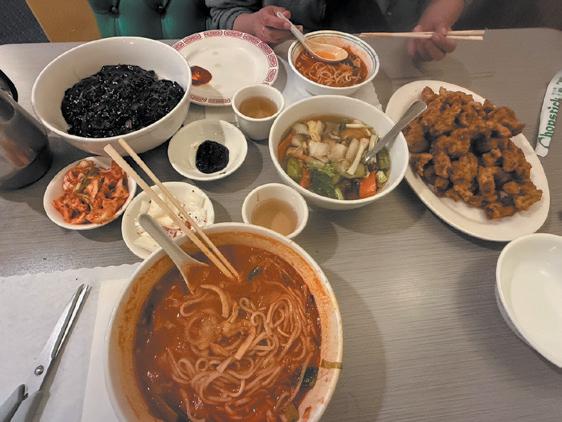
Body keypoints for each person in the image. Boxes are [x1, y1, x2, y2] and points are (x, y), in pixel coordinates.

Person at [205, 0, 466, 61]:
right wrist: (255, 24)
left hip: (396, 61)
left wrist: (435, 22)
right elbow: (225, 12)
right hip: (285, 65)